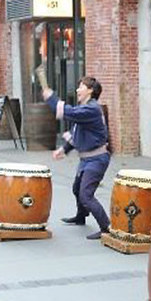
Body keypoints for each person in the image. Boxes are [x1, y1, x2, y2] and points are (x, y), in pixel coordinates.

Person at [36, 68, 111, 240]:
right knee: (77, 189)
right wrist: (64, 150)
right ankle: (81, 216)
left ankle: (106, 226)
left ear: (90, 91)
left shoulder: (91, 109)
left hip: (97, 159)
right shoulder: (84, 108)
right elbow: (76, 134)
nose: (77, 89)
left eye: (81, 87)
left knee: (86, 194)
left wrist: (51, 97)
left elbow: (67, 112)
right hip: (87, 158)